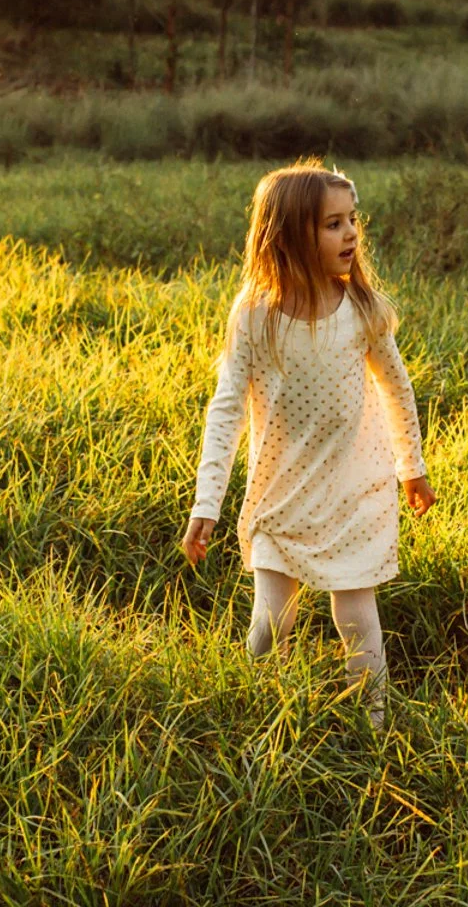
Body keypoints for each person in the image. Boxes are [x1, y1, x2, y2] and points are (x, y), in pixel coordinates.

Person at [181, 160, 436, 722]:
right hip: (282, 494)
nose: (350, 235)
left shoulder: (361, 309)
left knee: (357, 618)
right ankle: (259, 718)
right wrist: (207, 502)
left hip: (355, 491)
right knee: (271, 622)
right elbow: (226, 410)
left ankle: (374, 724)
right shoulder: (253, 315)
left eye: (352, 220)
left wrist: (410, 466)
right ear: (291, 234)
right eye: (332, 224)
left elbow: (397, 388)